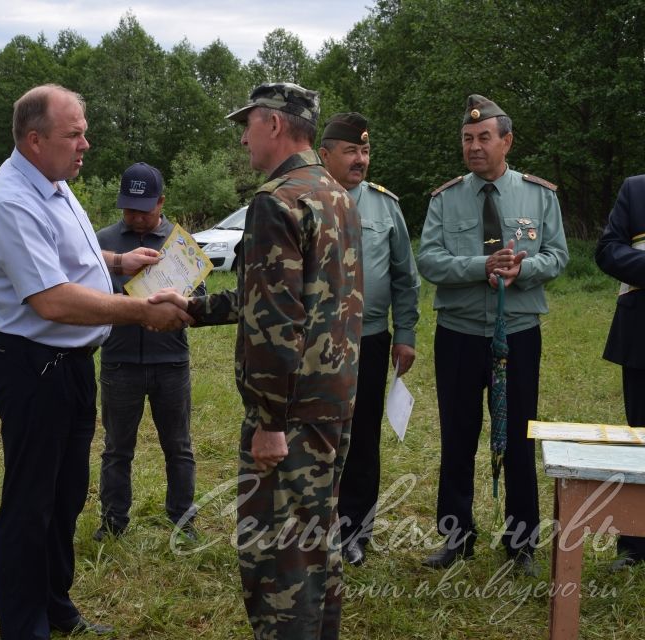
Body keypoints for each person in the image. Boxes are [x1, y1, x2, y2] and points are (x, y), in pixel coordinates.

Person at [0, 84, 191, 639]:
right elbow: (52, 299)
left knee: (66, 493)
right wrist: (140, 312)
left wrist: (117, 258)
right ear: (34, 139)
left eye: (83, 131)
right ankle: (25, 627)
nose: (85, 144)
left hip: (68, 364)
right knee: (30, 503)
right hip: (30, 366)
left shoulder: (51, 183)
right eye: (75, 134)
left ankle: (56, 606)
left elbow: (69, 255)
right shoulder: (10, 201)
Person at [153, 82, 363, 640]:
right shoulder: (333, 192)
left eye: (247, 123)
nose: (242, 136)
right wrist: (193, 309)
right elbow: (284, 296)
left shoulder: (277, 201)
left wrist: (269, 423)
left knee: (278, 563)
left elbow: (277, 323)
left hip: (289, 411)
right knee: (316, 542)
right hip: (332, 399)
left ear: (274, 124)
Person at [417, 94, 569, 574]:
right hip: (459, 335)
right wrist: (479, 265)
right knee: (457, 436)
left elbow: (558, 257)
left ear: (507, 140)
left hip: (518, 334)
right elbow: (430, 260)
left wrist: (520, 270)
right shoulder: (445, 198)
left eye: (484, 138)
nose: (475, 146)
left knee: (519, 437)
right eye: (467, 138)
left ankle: (521, 544)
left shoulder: (539, 195)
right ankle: (455, 538)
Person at [318, 112, 420, 567]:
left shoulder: (385, 205)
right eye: (350, 151)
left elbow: (405, 276)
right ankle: (313, 523)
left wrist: (408, 333)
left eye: (365, 151)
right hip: (318, 340)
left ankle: (355, 530)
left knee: (362, 435)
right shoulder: (309, 199)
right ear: (325, 156)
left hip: (372, 339)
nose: (360, 160)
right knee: (318, 430)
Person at [93, 162, 201, 542]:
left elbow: (200, 303)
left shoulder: (181, 245)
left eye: (144, 208)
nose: (136, 216)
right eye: (129, 208)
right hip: (119, 362)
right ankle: (112, 522)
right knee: (117, 449)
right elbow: (87, 297)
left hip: (171, 363)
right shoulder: (101, 242)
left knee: (179, 446)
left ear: (162, 201)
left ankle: (183, 520)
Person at [595, 174, 645, 571]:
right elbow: (608, 250)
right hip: (641, 336)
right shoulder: (635, 188)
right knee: (641, 439)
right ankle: (634, 546)